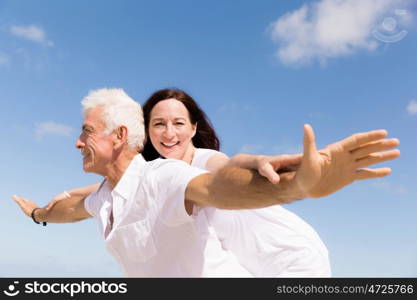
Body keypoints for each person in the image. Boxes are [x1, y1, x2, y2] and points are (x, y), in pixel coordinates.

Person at [13, 88, 400, 277]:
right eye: (158, 124)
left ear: (194, 129)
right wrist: (38, 213)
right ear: (143, 134)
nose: (168, 132)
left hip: (293, 262)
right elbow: (84, 202)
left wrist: (294, 183)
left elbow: (227, 176)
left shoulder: (187, 169)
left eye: (178, 123)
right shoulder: (121, 189)